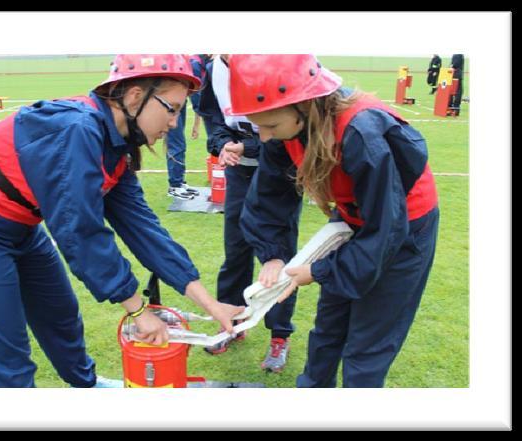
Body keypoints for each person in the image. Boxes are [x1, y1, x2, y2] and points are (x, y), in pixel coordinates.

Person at [0, 54, 244, 388]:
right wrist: (137, 310)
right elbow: (81, 233)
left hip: (22, 227)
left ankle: (86, 387)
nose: (174, 122)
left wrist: (210, 303)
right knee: (3, 356)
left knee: (60, 314)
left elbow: (144, 229)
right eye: (172, 108)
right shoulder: (78, 130)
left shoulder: (116, 143)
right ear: (134, 97)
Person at [229, 54, 440, 387]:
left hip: (404, 230)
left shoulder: (361, 132)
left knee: (365, 347)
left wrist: (321, 270)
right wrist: (272, 253)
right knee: (328, 329)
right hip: (353, 222)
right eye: (259, 127)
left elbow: (386, 226)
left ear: (305, 105)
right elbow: (270, 195)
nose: (265, 137)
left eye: (271, 126)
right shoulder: (287, 131)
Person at [197, 55, 300, 372]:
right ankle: (232, 321)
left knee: (279, 258)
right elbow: (213, 118)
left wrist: (251, 147)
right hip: (238, 172)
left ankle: (279, 335)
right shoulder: (214, 69)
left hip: (280, 170)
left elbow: (288, 125)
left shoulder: (272, 60)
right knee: (236, 250)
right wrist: (223, 143)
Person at [163, 54, 211, 200]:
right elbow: (197, 94)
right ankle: (175, 186)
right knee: (176, 144)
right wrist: (206, 114)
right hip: (170, 104)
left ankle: (180, 181)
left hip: (179, 101)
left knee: (179, 143)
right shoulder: (196, 63)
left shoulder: (200, 62)